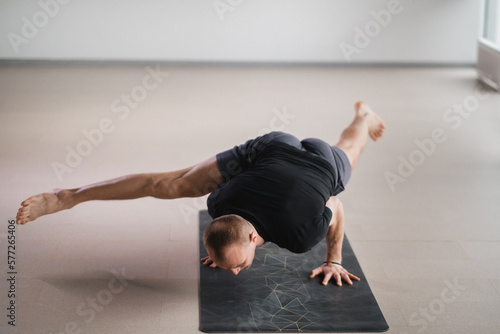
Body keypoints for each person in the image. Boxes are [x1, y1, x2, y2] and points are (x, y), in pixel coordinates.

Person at [16, 101, 385, 287]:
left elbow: (334, 206)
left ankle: (364, 116)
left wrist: (333, 259)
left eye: (235, 265)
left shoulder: (301, 235)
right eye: (236, 266)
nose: (237, 272)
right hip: (271, 149)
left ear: (254, 236)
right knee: (170, 185)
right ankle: (66, 196)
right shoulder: (219, 203)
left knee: (349, 150)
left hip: (319, 163)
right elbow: (232, 230)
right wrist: (223, 251)